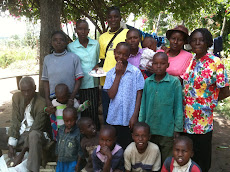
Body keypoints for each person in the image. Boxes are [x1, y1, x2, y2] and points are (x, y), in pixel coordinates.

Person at [182, 28, 230, 172]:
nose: (197, 43)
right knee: (187, 157)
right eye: (194, 40)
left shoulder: (215, 62)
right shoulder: (192, 60)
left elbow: (225, 90)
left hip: (202, 121)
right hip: (185, 119)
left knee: (201, 160)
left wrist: (210, 103)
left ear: (208, 42)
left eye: (201, 40)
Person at [139, 52, 183, 164]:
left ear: (167, 65)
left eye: (162, 63)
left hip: (167, 130)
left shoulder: (174, 83)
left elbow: (178, 106)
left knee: (166, 160)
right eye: (156, 63)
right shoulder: (148, 82)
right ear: (151, 65)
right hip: (150, 129)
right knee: (151, 160)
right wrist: (140, 124)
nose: (158, 66)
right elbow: (143, 104)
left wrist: (177, 128)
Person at [103, 42, 145, 149]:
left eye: (125, 54)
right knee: (114, 146)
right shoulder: (111, 73)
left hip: (129, 117)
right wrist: (118, 75)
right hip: (114, 117)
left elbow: (139, 95)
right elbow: (111, 95)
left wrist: (135, 115)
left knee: (127, 145)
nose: (121, 57)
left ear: (129, 55)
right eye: (119, 53)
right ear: (114, 53)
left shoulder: (135, 72)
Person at [4, 77, 49, 172]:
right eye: (23, 91)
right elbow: (15, 120)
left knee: (34, 135)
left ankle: (32, 170)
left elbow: (36, 128)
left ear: (35, 88)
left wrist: (20, 155)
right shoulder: (17, 97)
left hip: (35, 134)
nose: (26, 94)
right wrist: (11, 144)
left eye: (29, 90)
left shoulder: (41, 103)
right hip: (21, 132)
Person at [96, 6, 129, 123]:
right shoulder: (102, 37)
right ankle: (109, 139)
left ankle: (121, 139)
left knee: (122, 112)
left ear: (120, 18)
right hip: (106, 81)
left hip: (124, 80)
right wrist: (97, 66)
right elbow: (103, 59)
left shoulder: (127, 33)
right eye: (110, 17)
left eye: (116, 17)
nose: (113, 19)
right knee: (108, 112)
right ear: (107, 20)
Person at [68, 19, 100, 129]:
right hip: (79, 85)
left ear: (88, 31)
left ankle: (95, 135)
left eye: (85, 29)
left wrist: (97, 66)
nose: (82, 31)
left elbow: (97, 61)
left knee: (93, 110)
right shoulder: (71, 47)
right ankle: (84, 135)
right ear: (76, 30)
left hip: (93, 83)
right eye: (80, 29)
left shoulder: (95, 44)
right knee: (82, 111)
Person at [42, 30, 84, 113]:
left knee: (72, 122)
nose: (58, 42)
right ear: (51, 42)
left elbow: (79, 79)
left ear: (66, 42)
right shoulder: (47, 59)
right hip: (54, 100)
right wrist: (47, 100)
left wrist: (72, 97)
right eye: (55, 40)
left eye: (61, 39)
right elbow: (45, 81)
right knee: (57, 123)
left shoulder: (73, 57)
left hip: (71, 99)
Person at [56, 107, 83, 172]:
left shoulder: (78, 132)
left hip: (72, 162)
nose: (69, 123)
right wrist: (57, 157)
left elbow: (80, 150)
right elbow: (57, 144)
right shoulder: (61, 129)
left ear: (76, 119)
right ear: (63, 119)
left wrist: (78, 164)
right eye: (66, 121)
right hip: (61, 161)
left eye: (72, 120)